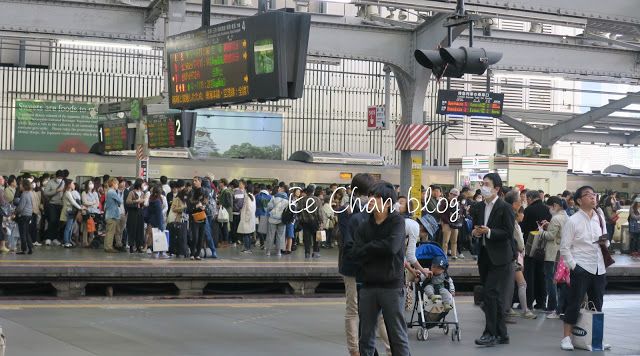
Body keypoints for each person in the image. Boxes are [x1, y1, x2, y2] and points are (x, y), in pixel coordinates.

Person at [350, 180, 410, 356]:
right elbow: (355, 253)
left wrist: (368, 247)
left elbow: (392, 247)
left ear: (388, 202)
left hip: (392, 285)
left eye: (377, 197)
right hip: (368, 285)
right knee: (365, 336)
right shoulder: (364, 226)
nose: (371, 200)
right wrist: (376, 247)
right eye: (370, 196)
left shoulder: (397, 222)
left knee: (397, 334)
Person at [559, 186, 611, 351]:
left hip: (599, 268)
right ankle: (566, 338)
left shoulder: (600, 217)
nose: (592, 197)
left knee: (597, 303)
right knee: (574, 302)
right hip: (582, 267)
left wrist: (605, 242)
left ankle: (596, 339)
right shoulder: (572, 220)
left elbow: (607, 241)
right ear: (579, 201)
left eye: (594, 194)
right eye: (587, 195)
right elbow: (564, 248)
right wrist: (574, 266)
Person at [470, 173, 515, 347]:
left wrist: (488, 231)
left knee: (489, 293)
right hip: (484, 255)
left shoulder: (505, 207)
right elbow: (476, 226)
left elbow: (507, 232)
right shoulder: (480, 206)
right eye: (482, 183)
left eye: (487, 184)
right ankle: (502, 334)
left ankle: (489, 333)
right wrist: (475, 232)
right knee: (493, 296)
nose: (483, 186)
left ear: (496, 188)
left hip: (501, 257)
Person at [502, 191, 536, 321]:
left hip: (512, 255)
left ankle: (508, 309)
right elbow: (517, 242)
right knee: (521, 284)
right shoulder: (512, 222)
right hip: (513, 256)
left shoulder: (509, 219)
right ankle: (525, 310)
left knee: (511, 284)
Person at [522, 189, 551, 311]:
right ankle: (541, 302)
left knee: (529, 274)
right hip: (544, 246)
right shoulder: (547, 209)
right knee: (542, 274)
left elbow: (524, 227)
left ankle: (528, 301)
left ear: (529, 198)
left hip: (530, 245)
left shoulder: (529, 210)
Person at [540, 196, 568, 319]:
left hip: (552, 253)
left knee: (551, 280)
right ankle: (560, 306)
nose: (549, 210)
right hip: (562, 253)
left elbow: (551, 236)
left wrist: (541, 231)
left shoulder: (556, 218)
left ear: (555, 206)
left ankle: (552, 305)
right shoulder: (567, 216)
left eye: (550, 207)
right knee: (560, 281)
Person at [298, 186, 323, 258]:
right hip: (315, 221)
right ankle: (315, 252)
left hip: (305, 222)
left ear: (306, 191)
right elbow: (319, 212)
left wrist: (301, 218)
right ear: (313, 191)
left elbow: (298, 211)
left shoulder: (301, 200)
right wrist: (321, 221)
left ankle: (307, 253)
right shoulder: (317, 200)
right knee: (316, 237)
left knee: (307, 238)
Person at [60, 179, 85, 248]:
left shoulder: (70, 192)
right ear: (69, 185)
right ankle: (66, 242)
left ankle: (69, 240)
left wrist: (80, 207)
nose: (74, 185)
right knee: (68, 227)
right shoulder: (67, 193)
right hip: (69, 211)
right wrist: (80, 208)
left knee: (70, 227)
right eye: (72, 183)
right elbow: (73, 202)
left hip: (71, 211)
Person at [188, 177, 207, 260]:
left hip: (202, 216)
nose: (194, 182)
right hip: (194, 216)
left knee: (201, 236)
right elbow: (189, 203)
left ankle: (197, 254)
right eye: (193, 181)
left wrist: (204, 206)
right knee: (195, 236)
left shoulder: (204, 191)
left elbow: (206, 201)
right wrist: (196, 205)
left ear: (200, 182)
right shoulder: (191, 191)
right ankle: (192, 253)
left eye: (196, 181)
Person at [441, 188, 463, 260]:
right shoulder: (445, 201)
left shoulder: (457, 203)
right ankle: (444, 254)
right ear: (449, 194)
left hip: (455, 224)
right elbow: (442, 213)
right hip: (447, 223)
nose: (454, 196)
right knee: (445, 241)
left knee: (454, 240)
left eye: (456, 195)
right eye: (452, 194)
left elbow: (460, 212)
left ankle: (454, 254)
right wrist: (447, 221)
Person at [265, 185, 287, 257]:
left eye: (280, 188)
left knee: (271, 235)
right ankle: (278, 252)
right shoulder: (287, 199)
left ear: (281, 190)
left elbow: (269, 207)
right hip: (282, 220)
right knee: (280, 236)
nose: (279, 189)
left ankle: (268, 251)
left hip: (273, 219)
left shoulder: (274, 197)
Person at [125, 179, 146, 253]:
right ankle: (131, 246)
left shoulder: (143, 193)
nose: (144, 186)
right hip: (133, 213)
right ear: (139, 184)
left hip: (140, 212)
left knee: (140, 229)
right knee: (132, 228)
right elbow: (127, 202)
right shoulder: (132, 192)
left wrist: (143, 202)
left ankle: (139, 246)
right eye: (143, 184)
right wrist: (136, 201)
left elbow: (143, 203)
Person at [146, 186, 167, 258]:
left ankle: (153, 251)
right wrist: (161, 226)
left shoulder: (151, 199)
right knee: (159, 237)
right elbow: (159, 214)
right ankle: (159, 253)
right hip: (157, 221)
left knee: (153, 236)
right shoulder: (158, 201)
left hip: (151, 220)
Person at [15, 180, 34, 255]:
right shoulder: (29, 193)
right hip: (29, 215)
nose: (19, 186)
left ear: (24, 186)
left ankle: (24, 250)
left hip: (23, 215)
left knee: (22, 233)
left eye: (20, 185)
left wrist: (15, 212)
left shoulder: (24, 194)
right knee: (26, 232)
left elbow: (21, 207)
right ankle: (30, 248)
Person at [104, 178, 122, 253]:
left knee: (109, 232)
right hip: (112, 215)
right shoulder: (112, 192)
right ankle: (109, 247)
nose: (118, 185)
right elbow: (120, 201)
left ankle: (107, 246)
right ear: (113, 184)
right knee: (110, 232)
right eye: (117, 184)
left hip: (110, 214)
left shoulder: (109, 191)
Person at [81, 180, 100, 247]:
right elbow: (85, 202)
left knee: (92, 227)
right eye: (90, 183)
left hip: (94, 212)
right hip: (87, 212)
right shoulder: (84, 193)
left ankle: (91, 242)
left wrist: (91, 204)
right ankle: (85, 242)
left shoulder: (95, 193)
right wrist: (92, 203)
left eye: (92, 183)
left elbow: (98, 203)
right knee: (86, 227)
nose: (91, 184)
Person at [237, 184, 256, 254]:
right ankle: (247, 248)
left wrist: (246, 218)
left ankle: (247, 249)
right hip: (250, 218)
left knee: (246, 234)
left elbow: (249, 209)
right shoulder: (252, 197)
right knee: (247, 234)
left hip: (247, 219)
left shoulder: (248, 197)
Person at [255, 184, 272, 248]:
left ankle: (262, 244)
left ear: (260, 189)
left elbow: (255, 206)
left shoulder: (257, 196)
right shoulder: (270, 197)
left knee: (260, 229)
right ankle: (268, 243)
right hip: (268, 214)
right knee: (268, 229)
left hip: (260, 214)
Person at [231, 179, 246, 247]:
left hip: (234, 212)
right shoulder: (242, 192)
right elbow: (242, 203)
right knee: (238, 227)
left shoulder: (233, 192)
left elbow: (232, 203)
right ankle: (238, 240)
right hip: (240, 212)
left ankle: (234, 241)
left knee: (233, 228)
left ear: (232, 186)